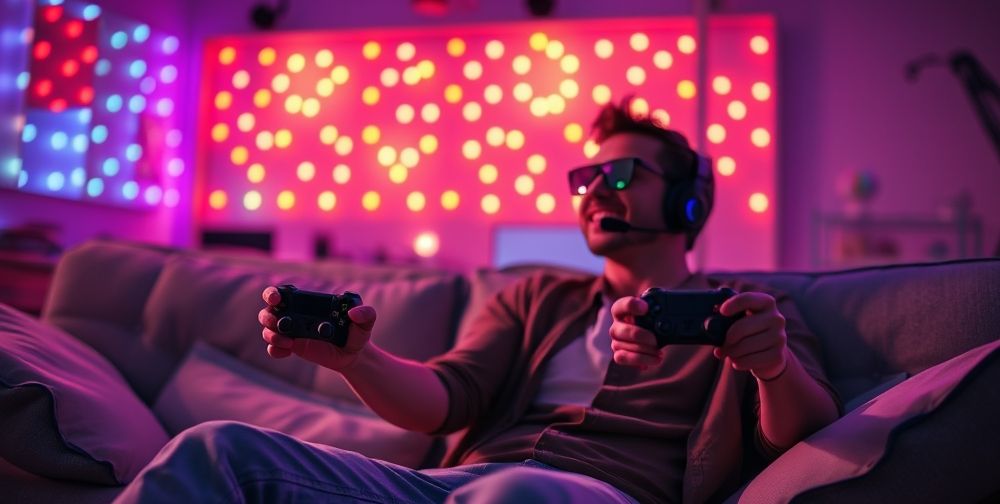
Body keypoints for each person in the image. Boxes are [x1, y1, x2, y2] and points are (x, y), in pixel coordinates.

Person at [114, 98, 841, 504]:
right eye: (585, 176)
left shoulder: (748, 308)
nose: (594, 191)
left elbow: (804, 430)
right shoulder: (536, 296)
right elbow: (447, 398)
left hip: (593, 498)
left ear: (687, 201)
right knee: (213, 450)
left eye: (620, 172)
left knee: (517, 498)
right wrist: (356, 360)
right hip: (452, 490)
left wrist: (772, 368)